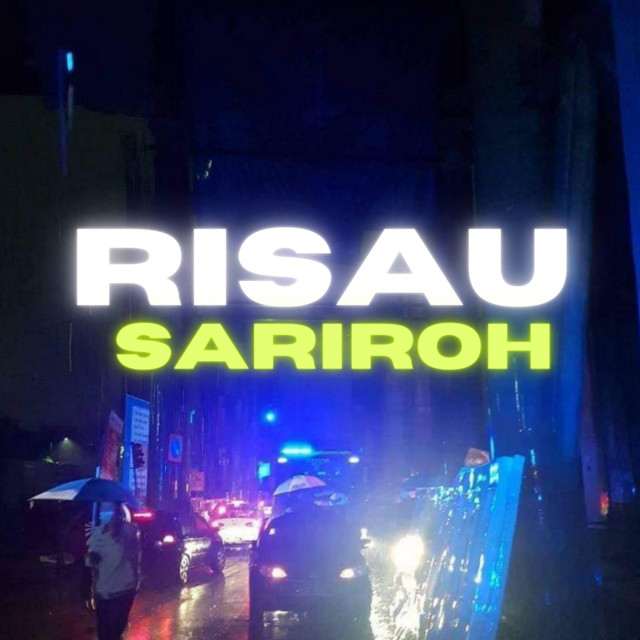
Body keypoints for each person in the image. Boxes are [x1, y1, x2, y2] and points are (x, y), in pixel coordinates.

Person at [86, 503, 139, 640]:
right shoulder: (97, 533)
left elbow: (132, 556)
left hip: (121, 591)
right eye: (102, 510)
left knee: (114, 632)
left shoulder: (127, 532)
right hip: (103, 592)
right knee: (104, 634)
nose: (104, 514)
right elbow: (91, 564)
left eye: (108, 510)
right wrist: (91, 558)